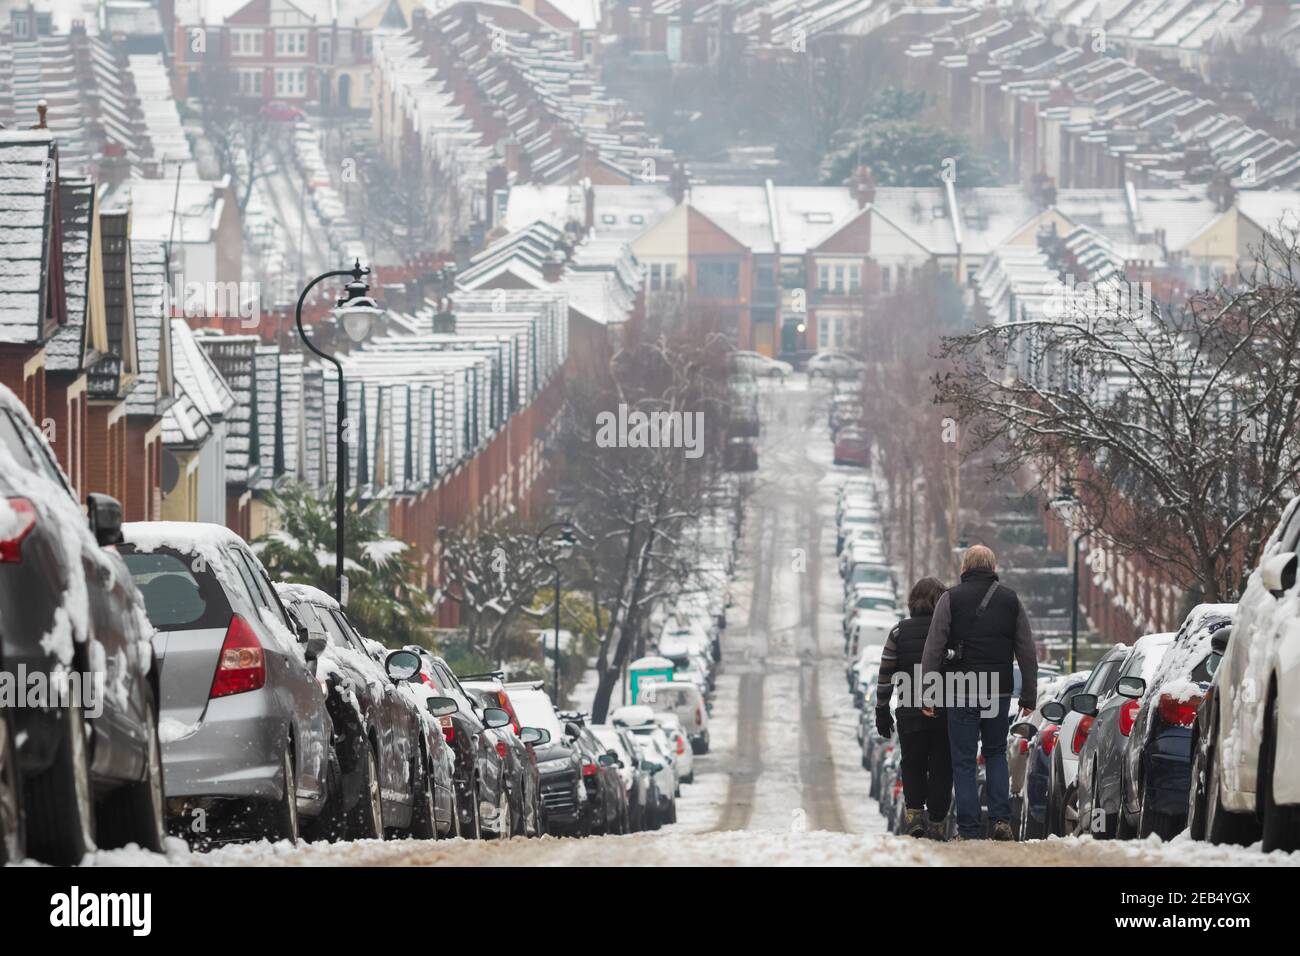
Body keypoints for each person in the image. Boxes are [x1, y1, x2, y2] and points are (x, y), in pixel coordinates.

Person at [920, 545, 1037, 841]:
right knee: (996, 752)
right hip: (997, 690)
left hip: (961, 689)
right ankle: (1000, 820)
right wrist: (1029, 696)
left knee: (964, 761)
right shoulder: (1011, 601)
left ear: (964, 569)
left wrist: (928, 693)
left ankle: (969, 829)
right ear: (993, 568)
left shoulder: (950, 598)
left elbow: (933, 648)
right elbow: (1026, 649)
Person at [875, 576, 952, 839]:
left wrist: (881, 711)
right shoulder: (949, 631)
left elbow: (885, 675)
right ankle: (939, 819)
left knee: (912, 762)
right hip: (943, 709)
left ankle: (915, 814)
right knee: (942, 763)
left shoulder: (898, 632)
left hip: (909, 710)